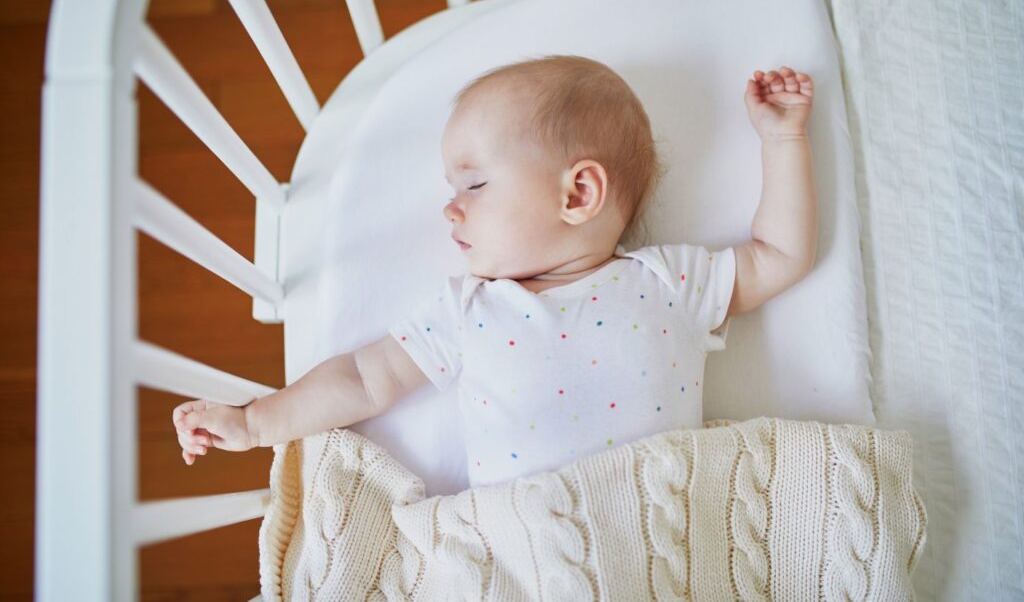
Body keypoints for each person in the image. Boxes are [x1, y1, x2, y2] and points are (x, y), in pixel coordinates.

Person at [172, 56, 817, 488]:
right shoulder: (468, 310)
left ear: (577, 194)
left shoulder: (667, 284)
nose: (449, 206)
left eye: (475, 182)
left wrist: (782, 143)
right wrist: (258, 421)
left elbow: (778, 255)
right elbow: (363, 379)